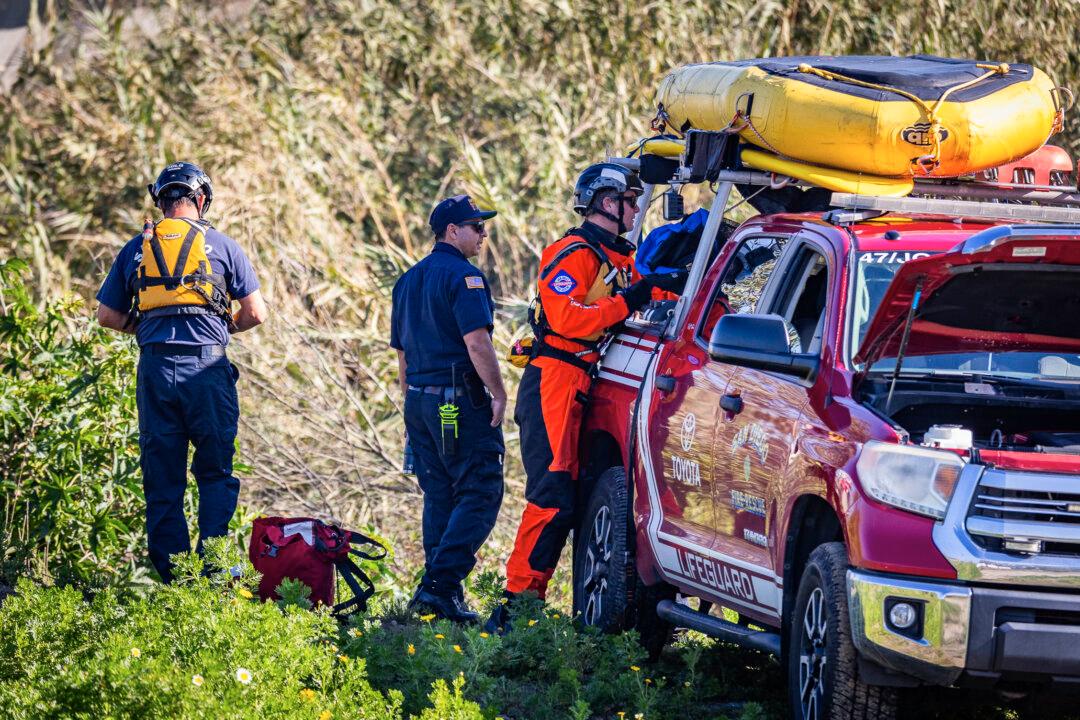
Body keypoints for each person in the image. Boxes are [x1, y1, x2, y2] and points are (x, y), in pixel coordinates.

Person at [487, 162, 659, 631]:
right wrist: (631, 299)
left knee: (571, 497)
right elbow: (568, 319)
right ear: (608, 203)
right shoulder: (572, 252)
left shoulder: (620, 257)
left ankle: (530, 605)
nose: (638, 207)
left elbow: (651, 289)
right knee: (552, 497)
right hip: (553, 382)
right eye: (631, 199)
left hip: (581, 385)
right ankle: (517, 607)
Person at [96, 161, 267, 583]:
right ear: (202, 200)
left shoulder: (136, 247)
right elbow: (256, 314)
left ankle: (175, 580)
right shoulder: (224, 246)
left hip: (154, 369)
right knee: (214, 474)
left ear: (161, 201)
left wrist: (148, 326)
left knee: (163, 478)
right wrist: (223, 326)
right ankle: (215, 573)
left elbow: (108, 316)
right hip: (207, 369)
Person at [391, 194, 507, 623]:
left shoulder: (407, 281)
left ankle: (440, 594)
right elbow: (477, 343)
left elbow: (401, 357)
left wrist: (410, 407)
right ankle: (438, 588)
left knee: (439, 494)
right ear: (452, 231)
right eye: (476, 227)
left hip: (420, 400)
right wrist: (498, 392)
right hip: (456, 403)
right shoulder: (465, 278)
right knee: (481, 490)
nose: (483, 234)